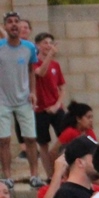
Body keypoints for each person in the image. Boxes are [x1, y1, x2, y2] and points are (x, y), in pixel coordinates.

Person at [0, 12, 41, 188]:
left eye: (16, 22)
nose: (14, 25)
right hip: (3, 100)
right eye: (10, 22)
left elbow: (31, 70)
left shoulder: (29, 47)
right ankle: (8, 177)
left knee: (30, 138)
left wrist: (33, 92)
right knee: (4, 140)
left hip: (24, 99)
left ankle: (34, 175)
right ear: (5, 27)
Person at [31, 32, 64, 180]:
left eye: (50, 43)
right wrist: (50, 55)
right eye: (45, 43)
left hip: (56, 108)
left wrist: (57, 105)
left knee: (66, 138)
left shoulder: (56, 65)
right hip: (40, 109)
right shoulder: (34, 63)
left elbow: (61, 88)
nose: (48, 46)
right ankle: (50, 176)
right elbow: (41, 73)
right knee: (43, 144)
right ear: (38, 45)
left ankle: (64, 172)